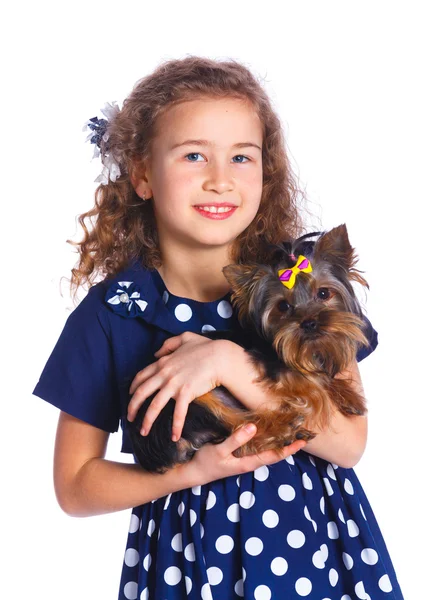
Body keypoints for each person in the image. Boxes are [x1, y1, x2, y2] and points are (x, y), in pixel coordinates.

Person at [33, 56, 404, 599]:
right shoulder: (115, 312)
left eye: (241, 157)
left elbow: (347, 443)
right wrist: (186, 474)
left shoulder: (303, 283)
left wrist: (229, 362)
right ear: (141, 174)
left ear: (264, 173)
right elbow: (74, 486)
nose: (219, 179)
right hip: (188, 556)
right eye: (193, 155)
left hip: (313, 548)